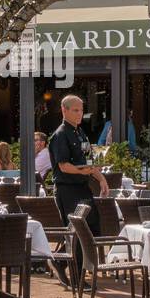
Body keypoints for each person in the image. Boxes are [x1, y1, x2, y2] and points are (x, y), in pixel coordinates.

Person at [49, 95, 108, 283]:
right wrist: (82, 172)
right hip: (67, 189)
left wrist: (101, 180)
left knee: (91, 229)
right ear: (64, 110)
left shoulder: (81, 133)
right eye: (75, 110)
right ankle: (77, 278)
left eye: (81, 110)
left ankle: (60, 261)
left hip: (82, 188)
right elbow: (63, 166)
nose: (80, 114)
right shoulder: (60, 135)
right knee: (76, 233)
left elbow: (89, 162)